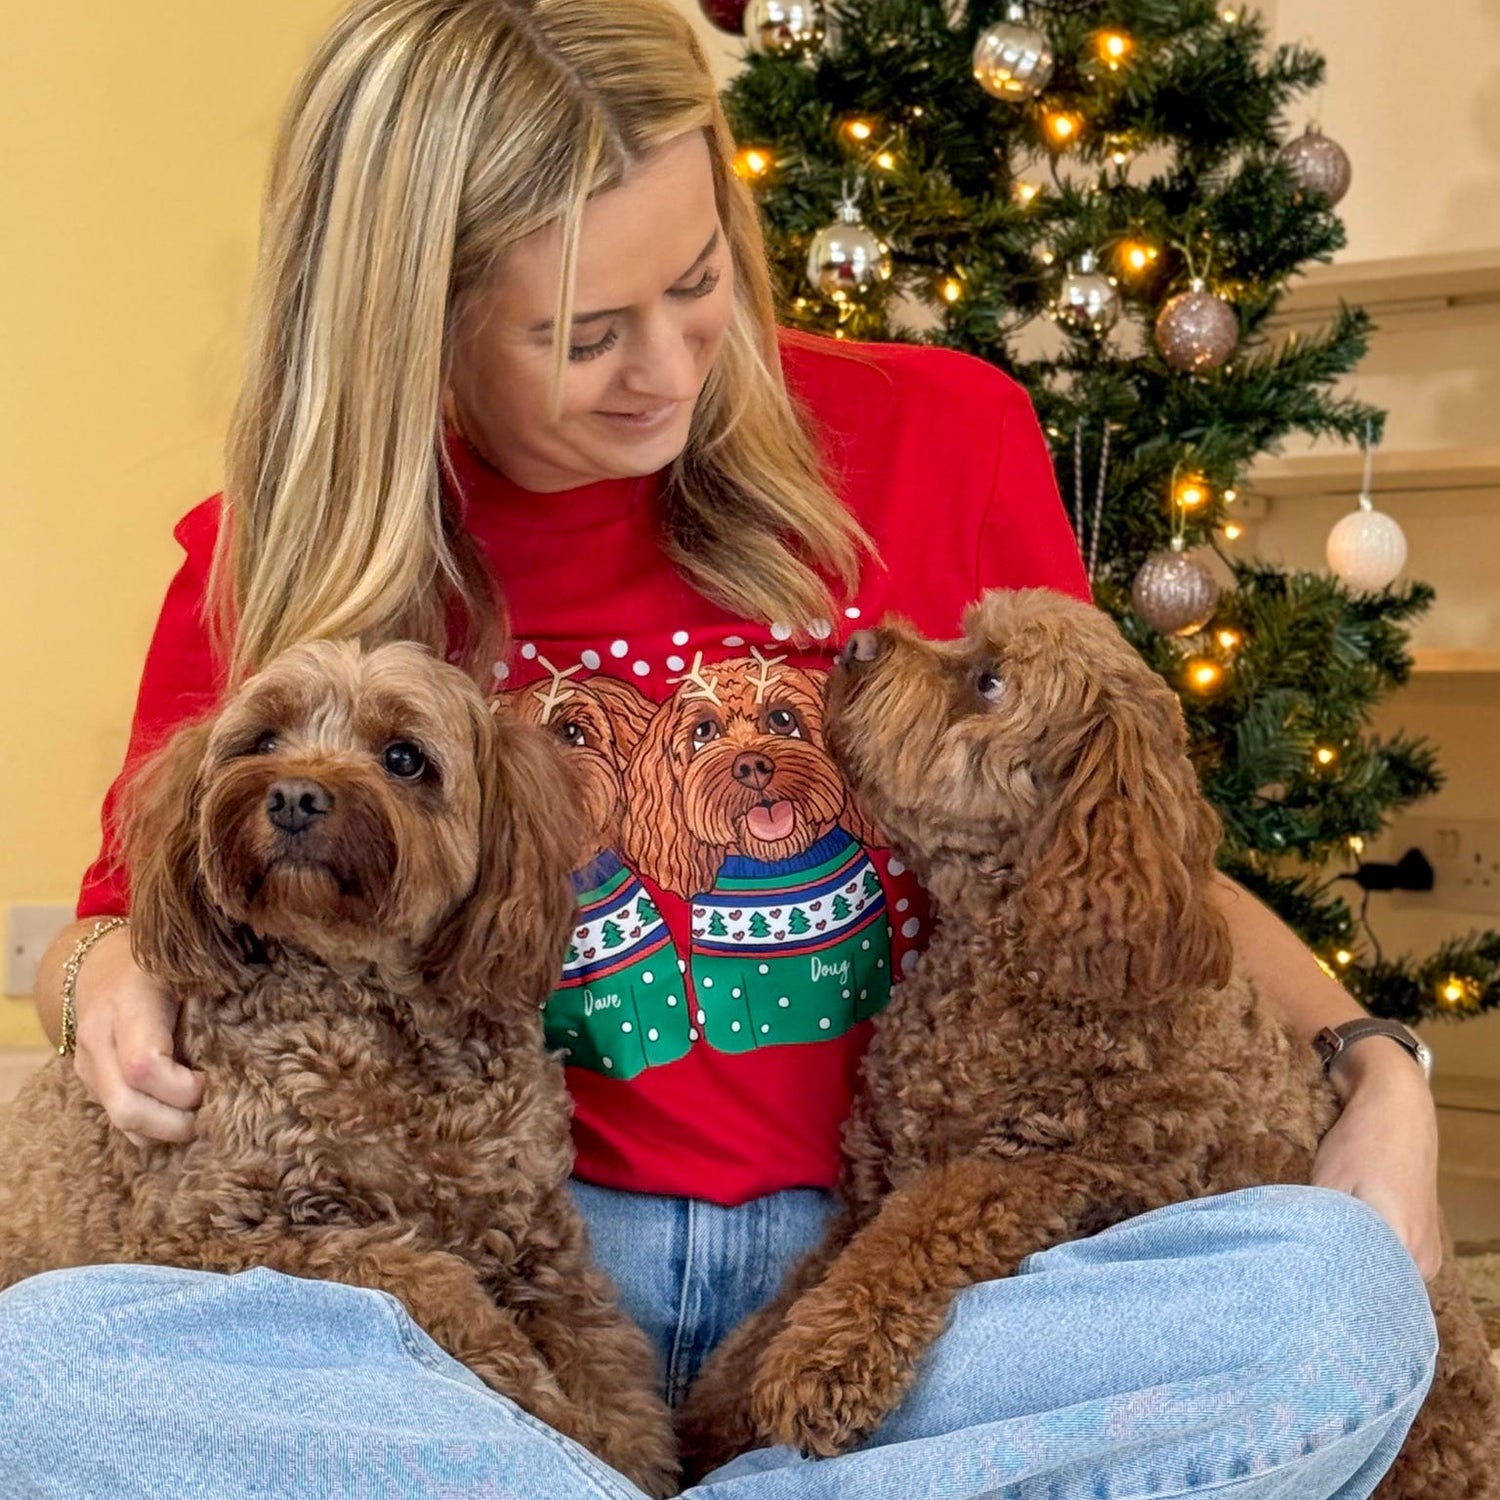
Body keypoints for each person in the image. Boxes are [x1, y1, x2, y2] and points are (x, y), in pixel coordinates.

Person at [5, 1, 1440, 1495]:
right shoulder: (280, 559)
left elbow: (1104, 853)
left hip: (904, 1277)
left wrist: (1375, 1062)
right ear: (408, 319)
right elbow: (114, 927)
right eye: (583, 334)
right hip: (482, 1297)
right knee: (40, 1375)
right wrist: (96, 974)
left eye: (699, 284)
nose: (672, 367)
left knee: (1330, 1312)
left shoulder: (944, 433)